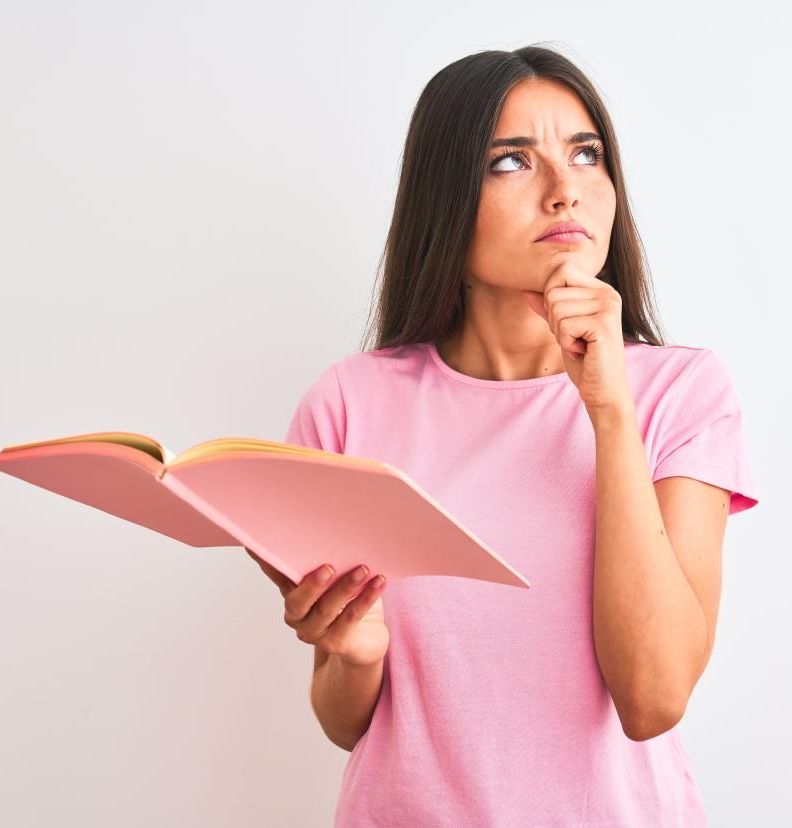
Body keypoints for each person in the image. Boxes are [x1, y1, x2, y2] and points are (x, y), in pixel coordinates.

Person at [247, 44, 761, 827]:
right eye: (512, 162)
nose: (566, 192)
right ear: (445, 196)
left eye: (586, 154)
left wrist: (609, 410)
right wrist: (354, 653)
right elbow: (345, 722)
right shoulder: (348, 404)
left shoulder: (679, 393)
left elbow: (654, 699)